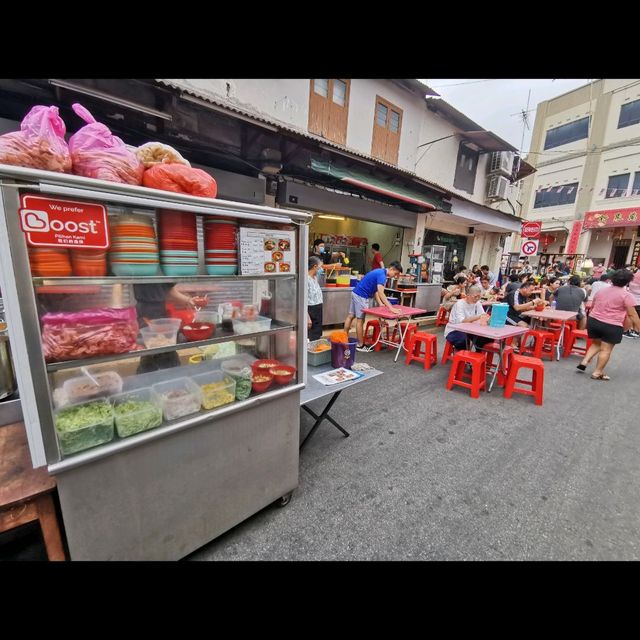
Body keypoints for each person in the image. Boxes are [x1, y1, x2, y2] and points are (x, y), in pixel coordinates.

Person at [577, 269, 640, 379]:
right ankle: (597, 372)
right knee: (606, 349)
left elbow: (593, 306)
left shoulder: (602, 291)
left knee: (596, 343)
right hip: (611, 324)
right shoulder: (626, 295)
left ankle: (584, 362)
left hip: (594, 320)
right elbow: (632, 315)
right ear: (627, 282)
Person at [133, 283, 199, 373]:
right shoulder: (139, 270)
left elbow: (168, 290)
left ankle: (172, 376)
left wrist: (188, 300)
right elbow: (118, 282)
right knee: (150, 350)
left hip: (160, 313)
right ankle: (147, 379)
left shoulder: (162, 272)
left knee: (166, 350)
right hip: (145, 315)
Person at [344, 261, 403, 351]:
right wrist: (391, 308)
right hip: (361, 296)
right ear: (391, 269)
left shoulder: (380, 272)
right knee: (360, 320)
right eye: (395, 273)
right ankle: (360, 345)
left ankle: (344, 339)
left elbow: (375, 290)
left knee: (351, 316)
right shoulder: (382, 276)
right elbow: (381, 292)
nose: (395, 276)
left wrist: (380, 303)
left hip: (355, 292)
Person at [444, 285, 492, 351]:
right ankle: (463, 357)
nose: (477, 299)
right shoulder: (459, 304)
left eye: (479, 296)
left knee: (486, 338)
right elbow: (462, 321)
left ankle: (477, 356)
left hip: (470, 329)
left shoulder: (477, 303)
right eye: (475, 297)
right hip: (454, 330)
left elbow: (483, 314)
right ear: (468, 295)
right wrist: (479, 316)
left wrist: (488, 318)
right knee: (463, 340)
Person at [307, 255, 324, 341]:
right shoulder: (306, 279)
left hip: (318, 308)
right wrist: (307, 317)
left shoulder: (315, 278)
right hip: (311, 310)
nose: (321, 269)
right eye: (320, 267)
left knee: (317, 334)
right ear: (315, 266)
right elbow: (303, 301)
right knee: (310, 335)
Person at [623, 268, 640, 338]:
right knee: (636, 315)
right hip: (638, 298)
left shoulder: (633, 275)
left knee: (630, 315)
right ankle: (635, 331)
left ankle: (629, 330)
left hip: (631, 296)